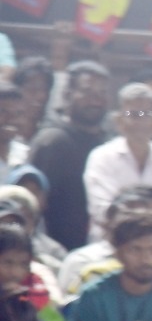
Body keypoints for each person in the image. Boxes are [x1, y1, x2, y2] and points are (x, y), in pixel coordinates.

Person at [57, 186, 152, 300]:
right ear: (111, 216)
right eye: (132, 215)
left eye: (151, 217)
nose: (141, 224)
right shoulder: (80, 262)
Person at [27, 60, 110, 251]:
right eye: (87, 92)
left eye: (102, 93)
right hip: (56, 253)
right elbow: (32, 206)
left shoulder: (109, 144)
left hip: (100, 253)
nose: (96, 100)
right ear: (67, 94)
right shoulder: (52, 141)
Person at [83, 83, 152, 245]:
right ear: (119, 120)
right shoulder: (101, 157)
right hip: (109, 248)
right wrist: (151, 215)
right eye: (133, 114)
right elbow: (104, 210)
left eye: (146, 114)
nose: (140, 122)